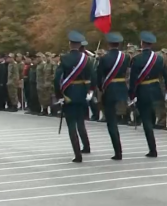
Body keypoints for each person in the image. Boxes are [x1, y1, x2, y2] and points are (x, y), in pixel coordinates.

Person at [129, 31, 167, 158]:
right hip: (155, 90)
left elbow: (133, 80)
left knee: (146, 120)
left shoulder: (136, 59)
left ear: (142, 43)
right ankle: (153, 142)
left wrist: (131, 95)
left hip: (143, 91)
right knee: (152, 115)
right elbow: (166, 76)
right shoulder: (159, 59)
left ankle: (153, 149)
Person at [54, 31, 94, 163]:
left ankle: (78, 154)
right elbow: (92, 76)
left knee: (71, 124)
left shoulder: (64, 58)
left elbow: (57, 78)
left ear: (70, 44)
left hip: (69, 94)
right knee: (81, 121)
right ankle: (86, 146)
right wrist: (90, 91)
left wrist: (59, 95)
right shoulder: (86, 59)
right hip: (82, 93)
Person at [96, 32, 129, 160]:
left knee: (112, 123)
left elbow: (99, 76)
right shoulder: (125, 57)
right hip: (122, 89)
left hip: (109, 91)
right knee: (121, 116)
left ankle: (118, 151)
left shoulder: (104, 58)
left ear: (109, 44)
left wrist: (101, 88)